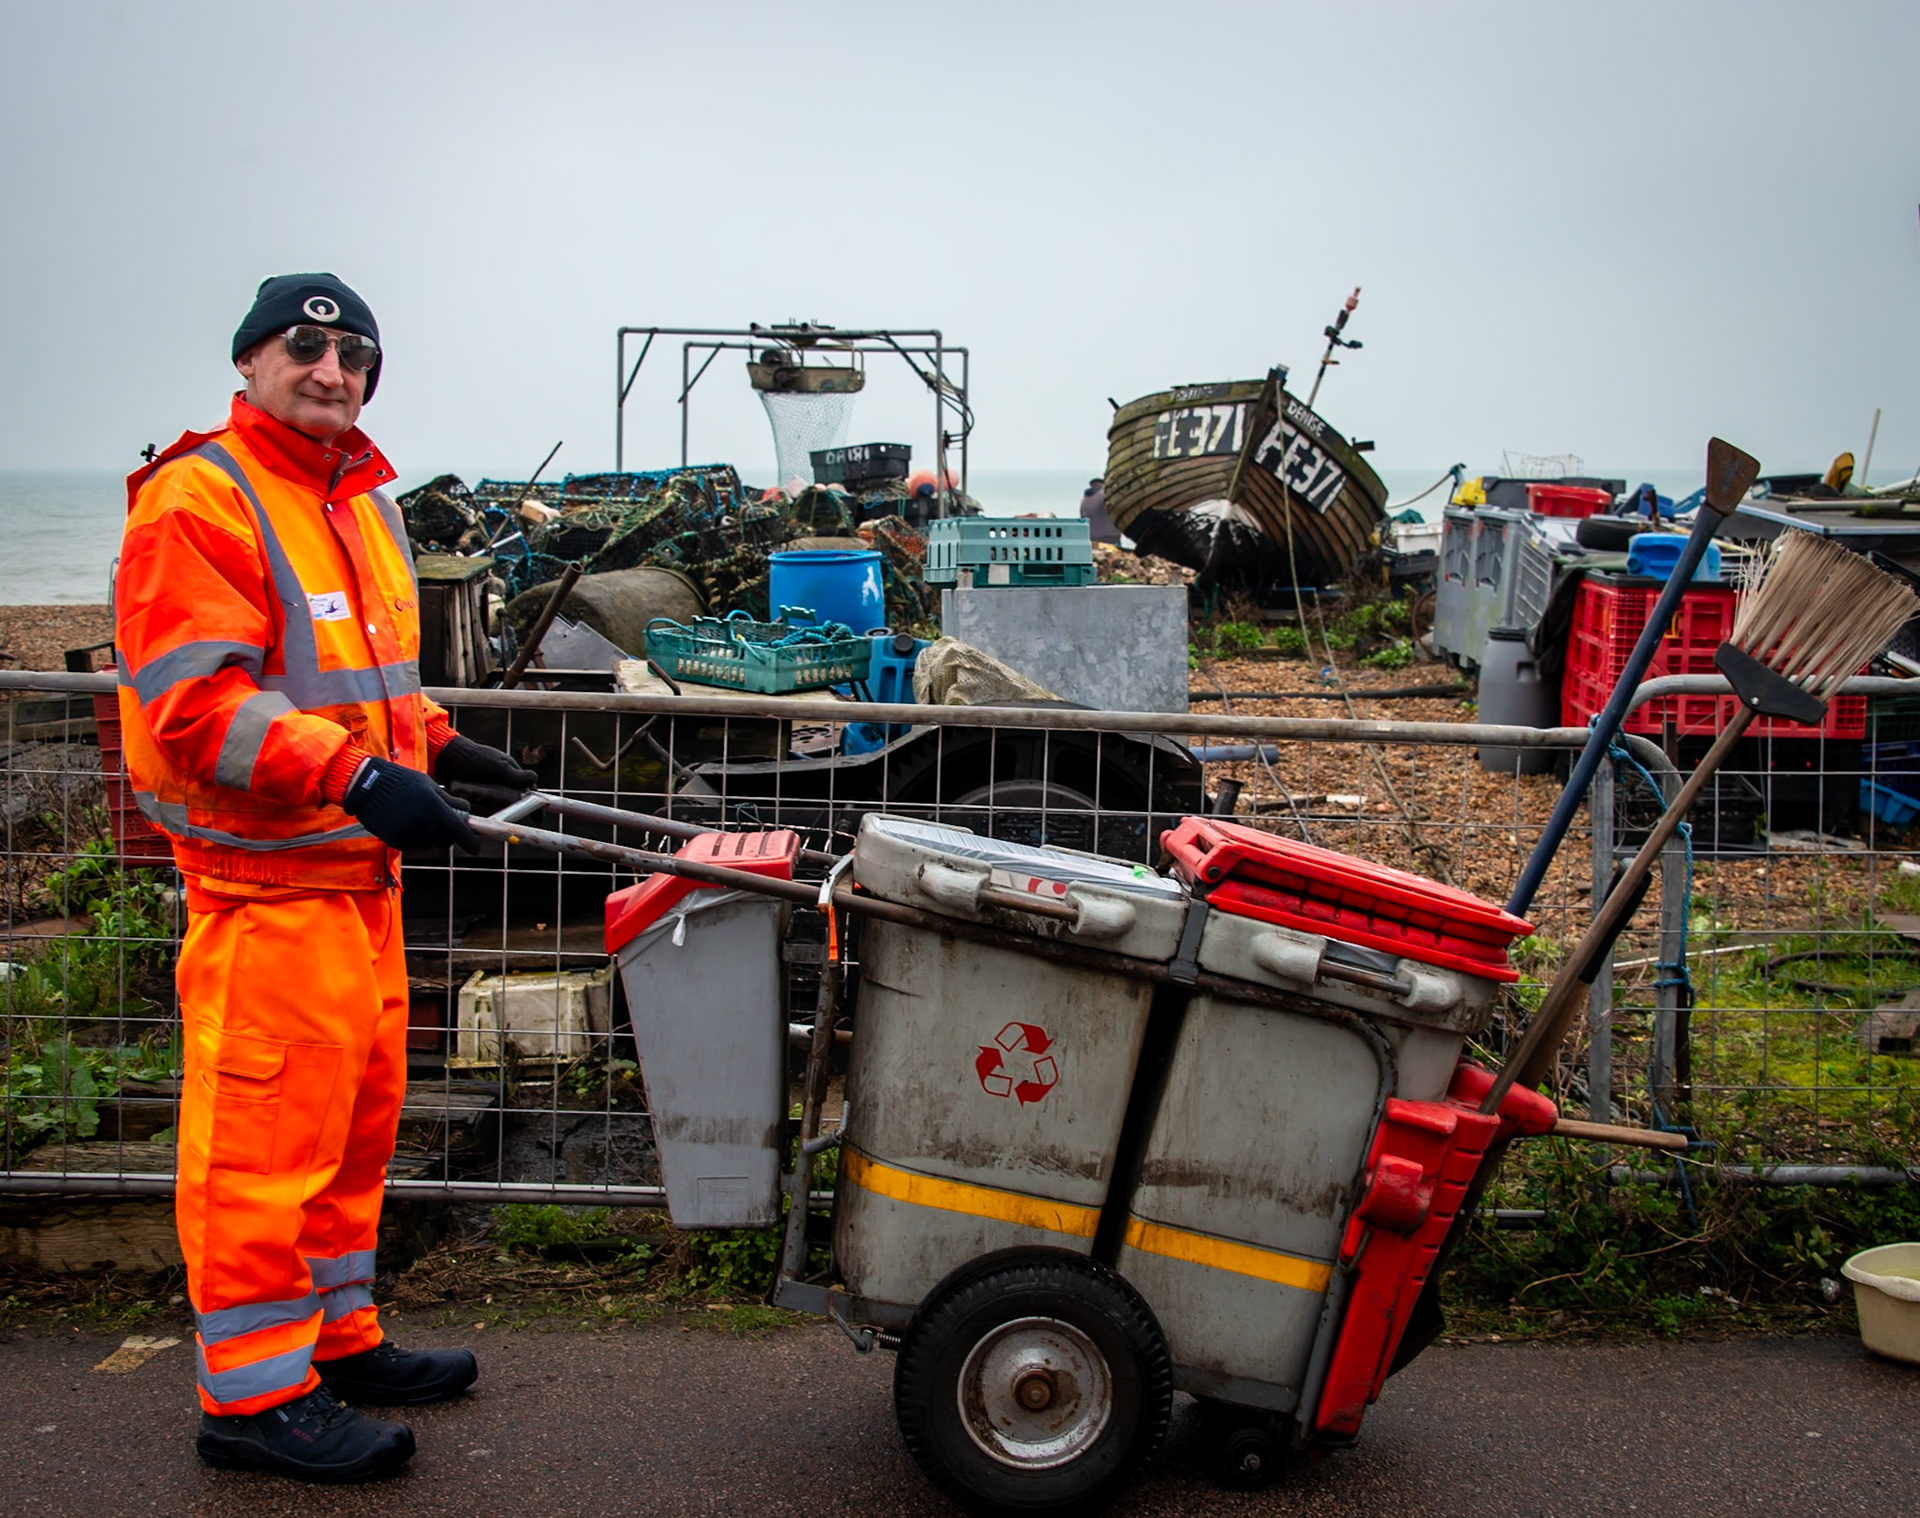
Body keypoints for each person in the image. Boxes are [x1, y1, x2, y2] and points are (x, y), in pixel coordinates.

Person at [115, 273, 535, 1483]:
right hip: (266, 896)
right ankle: (251, 1401)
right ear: (250, 363)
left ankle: (335, 1339)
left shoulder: (362, 503)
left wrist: (439, 741)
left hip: (358, 894)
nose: (331, 370)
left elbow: (361, 686)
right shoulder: (201, 499)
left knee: (350, 1139)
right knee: (259, 1152)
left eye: (354, 354)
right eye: (304, 347)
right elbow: (195, 706)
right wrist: (352, 781)